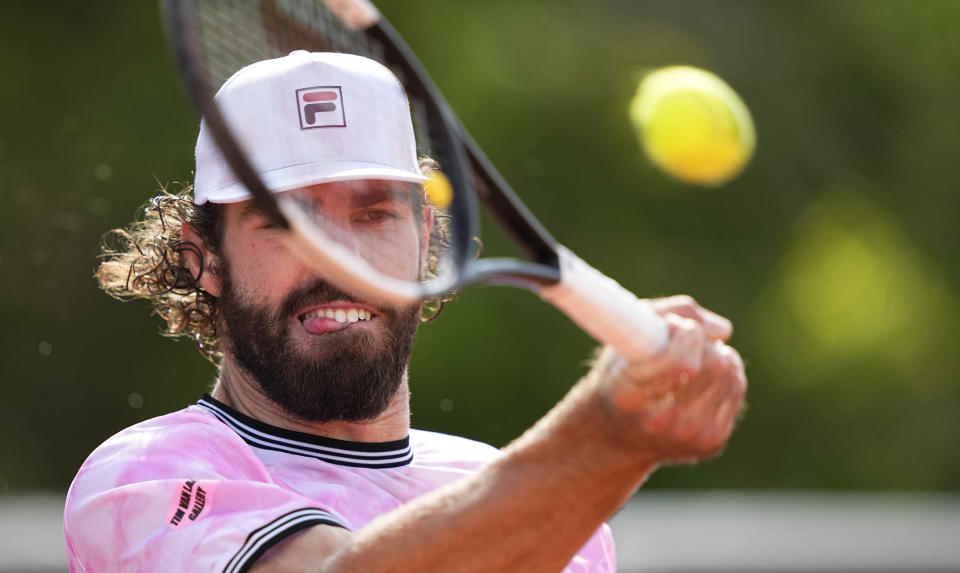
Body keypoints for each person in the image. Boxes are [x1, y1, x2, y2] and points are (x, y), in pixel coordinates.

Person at [64, 51, 746, 572]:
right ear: (202, 258)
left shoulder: (559, 510)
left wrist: (596, 456)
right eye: (283, 222)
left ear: (424, 238)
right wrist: (605, 440)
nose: (338, 260)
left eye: (372, 214)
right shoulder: (143, 480)